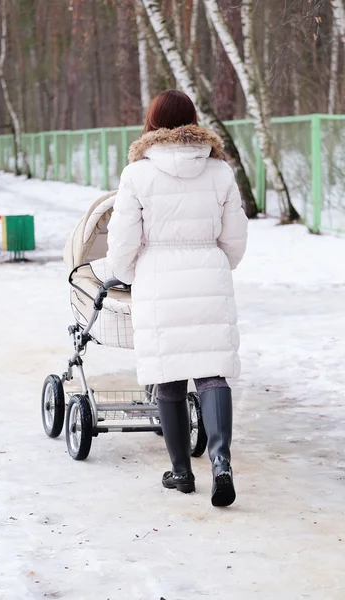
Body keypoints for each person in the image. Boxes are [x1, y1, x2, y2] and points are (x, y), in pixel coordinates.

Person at [107, 90, 248, 507]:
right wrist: (221, 263)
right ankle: (221, 462)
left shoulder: (137, 174)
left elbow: (122, 240)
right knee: (212, 371)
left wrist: (132, 274)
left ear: (152, 122)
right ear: (192, 120)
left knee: (167, 376)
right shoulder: (219, 170)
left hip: (158, 275)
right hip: (208, 269)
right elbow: (235, 236)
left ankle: (181, 472)